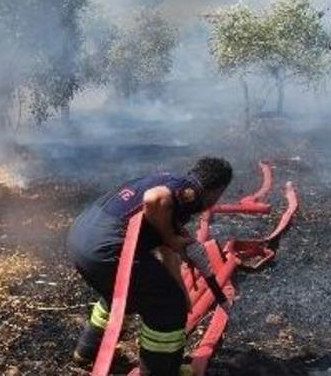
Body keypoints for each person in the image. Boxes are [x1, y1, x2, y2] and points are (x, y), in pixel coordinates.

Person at [66, 156, 233, 375]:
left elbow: (165, 254)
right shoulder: (191, 193)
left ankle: (88, 351)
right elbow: (155, 198)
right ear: (217, 190)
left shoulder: (168, 179)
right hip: (105, 247)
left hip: (81, 237)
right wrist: (177, 300)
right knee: (167, 307)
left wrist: (181, 292)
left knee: (125, 292)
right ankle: (159, 370)